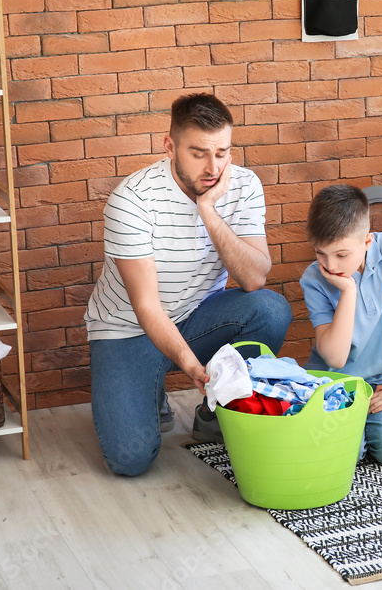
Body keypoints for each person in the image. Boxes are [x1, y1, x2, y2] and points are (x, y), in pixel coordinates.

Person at [84, 93, 291, 476]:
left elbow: (254, 278)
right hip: (128, 331)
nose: (213, 167)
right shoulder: (132, 200)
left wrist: (208, 210)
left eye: (222, 153)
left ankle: (217, 410)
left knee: (270, 310)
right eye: (198, 154)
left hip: (197, 318)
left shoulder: (243, 185)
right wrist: (190, 365)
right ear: (170, 146)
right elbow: (146, 307)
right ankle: (150, 389)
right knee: (130, 460)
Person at [299, 184, 382, 465]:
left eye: (341, 255)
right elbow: (335, 358)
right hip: (334, 381)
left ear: (367, 241)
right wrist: (348, 291)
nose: (330, 265)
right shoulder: (314, 279)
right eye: (321, 253)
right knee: (350, 455)